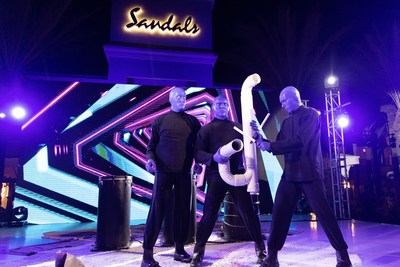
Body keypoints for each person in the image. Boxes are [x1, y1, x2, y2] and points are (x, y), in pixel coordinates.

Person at [251, 86, 352, 267]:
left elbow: (299, 142)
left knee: (324, 214)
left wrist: (271, 146)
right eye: (280, 102)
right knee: (279, 213)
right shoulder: (286, 122)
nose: (282, 105)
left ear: (295, 97)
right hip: (290, 173)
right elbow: (279, 145)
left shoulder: (311, 114)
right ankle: (272, 256)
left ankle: (343, 256)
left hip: (309, 173)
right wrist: (261, 139)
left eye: (285, 101)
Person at [190, 95, 266, 267]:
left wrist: (256, 132)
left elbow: (253, 142)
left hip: (237, 176)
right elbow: (198, 153)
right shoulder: (206, 130)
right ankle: (198, 251)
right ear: (214, 107)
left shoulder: (238, 128)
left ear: (227, 107)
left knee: (248, 212)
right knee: (209, 215)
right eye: (219, 104)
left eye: (225, 103)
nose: (223, 106)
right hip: (216, 176)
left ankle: (261, 248)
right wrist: (213, 157)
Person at [141, 87, 201, 267]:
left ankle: (180, 250)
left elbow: (197, 148)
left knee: (183, 212)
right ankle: (147, 255)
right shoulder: (159, 121)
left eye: (183, 96)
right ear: (170, 99)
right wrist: (150, 160)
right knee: (157, 212)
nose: (181, 98)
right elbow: (151, 147)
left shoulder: (193, 122)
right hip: (163, 173)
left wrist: (198, 162)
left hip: (184, 172)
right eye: (177, 96)